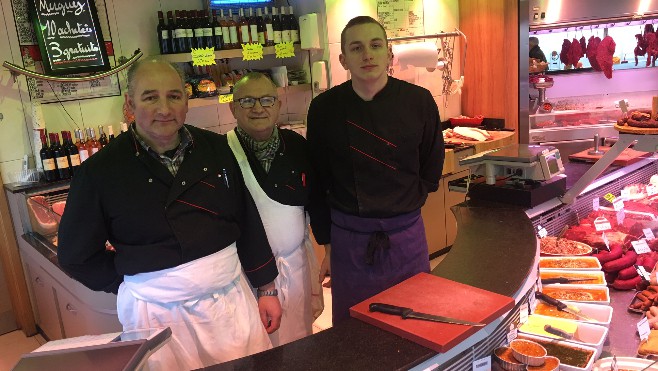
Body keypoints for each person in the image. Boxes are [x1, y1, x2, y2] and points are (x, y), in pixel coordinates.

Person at [57, 58, 281, 370]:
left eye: (174, 96)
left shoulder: (216, 148)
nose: (164, 108)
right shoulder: (99, 172)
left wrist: (267, 287)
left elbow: (246, 219)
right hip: (155, 314)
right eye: (151, 97)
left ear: (186, 101)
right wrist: (131, 280)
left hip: (229, 302)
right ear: (129, 105)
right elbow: (74, 255)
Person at [306, 16, 444, 324]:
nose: (367, 55)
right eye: (356, 48)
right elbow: (317, 181)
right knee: (355, 332)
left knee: (415, 324)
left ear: (389, 54)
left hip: (405, 236)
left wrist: (405, 203)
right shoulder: (324, 108)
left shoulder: (418, 101)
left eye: (375, 45)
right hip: (350, 241)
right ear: (343, 59)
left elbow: (432, 166)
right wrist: (328, 246)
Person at [227, 72, 323, 346]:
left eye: (266, 99)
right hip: (246, 275)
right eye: (247, 101)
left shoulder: (296, 146)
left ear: (278, 104)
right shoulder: (222, 152)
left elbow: (315, 201)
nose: (258, 108)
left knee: (299, 341)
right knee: (258, 348)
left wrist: (328, 248)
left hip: (295, 266)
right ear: (233, 108)